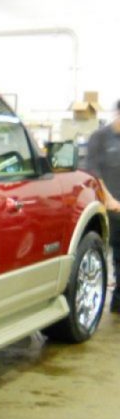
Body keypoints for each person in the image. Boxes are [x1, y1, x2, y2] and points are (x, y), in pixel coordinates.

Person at [86, 99, 120, 313]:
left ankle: (117, 300)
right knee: (107, 255)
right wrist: (110, 199)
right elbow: (93, 172)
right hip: (108, 209)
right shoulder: (99, 138)